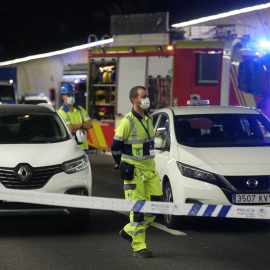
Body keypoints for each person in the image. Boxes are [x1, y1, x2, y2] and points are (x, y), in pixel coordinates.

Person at [111, 86, 163, 258]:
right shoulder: (127, 122)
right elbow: (115, 147)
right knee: (138, 210)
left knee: (157, 206)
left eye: (148, 96)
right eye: (143, 96)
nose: (147, 99)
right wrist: (121, 164)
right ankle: (138, 247)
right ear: (134, 100)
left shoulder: (149, 119)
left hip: (150, 171)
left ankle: (128, 230)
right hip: (134, 172)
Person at [58, 84, 93, 154]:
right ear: (63, 96)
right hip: (71, 148)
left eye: (72, 95)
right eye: (68, 95)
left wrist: (77, 126)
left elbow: (90, 125)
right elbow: (70, 130)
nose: (71, 97)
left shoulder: (80, 109)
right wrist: (84, 127)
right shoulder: (61, 112)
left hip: (83, 147)